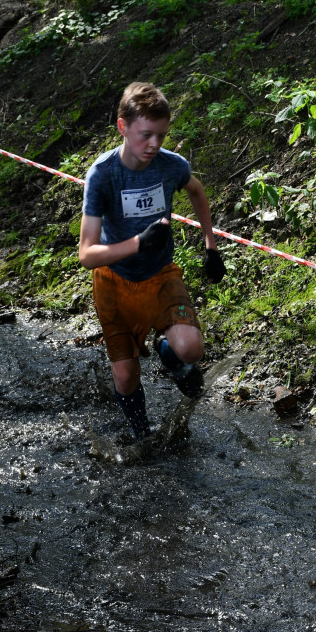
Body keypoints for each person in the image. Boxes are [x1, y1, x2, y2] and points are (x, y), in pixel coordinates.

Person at [78, 82, 226, 443]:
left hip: (160, 275)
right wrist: (137, 243)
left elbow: (196, 190)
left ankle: (171, 357)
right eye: (146, 135)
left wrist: (211, 246)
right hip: (113, 282)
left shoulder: (171, 166)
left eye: (161, 135)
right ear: (122, 127)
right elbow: (87, 254)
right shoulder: (103, 175)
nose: (154, 144)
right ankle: (143, 436)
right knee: (126, 376)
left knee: (191, 347)